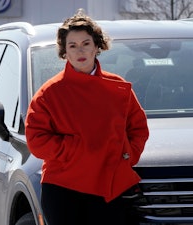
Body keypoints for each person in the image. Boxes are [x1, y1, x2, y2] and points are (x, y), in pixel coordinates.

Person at [25, 9, 149, 225]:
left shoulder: (118, 87)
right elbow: (37, 141)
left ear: (97, 46)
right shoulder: (49, 93)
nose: (80, 50)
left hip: (109, 186)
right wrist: (77, 149)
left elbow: (138, 128)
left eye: (86, 43)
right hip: (63, 189)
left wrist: (126, 154)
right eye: (72, 45)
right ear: (65, 51)